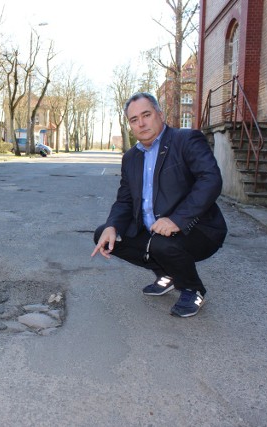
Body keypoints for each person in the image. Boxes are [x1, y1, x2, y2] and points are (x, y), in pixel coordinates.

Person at [91, 92, 227, 317]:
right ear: (130, 125)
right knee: (104, 237)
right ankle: (169, 274)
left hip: (198, 230)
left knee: (162, 245)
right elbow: (125, 199)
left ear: (160, 115)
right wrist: (112, 226)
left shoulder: (186, 140)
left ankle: (192, 288)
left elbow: (210, 180)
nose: (141, 123)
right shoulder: (131, 157)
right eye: (134, 120)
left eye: (146, 115)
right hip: (155, 231)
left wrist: (177, 220)